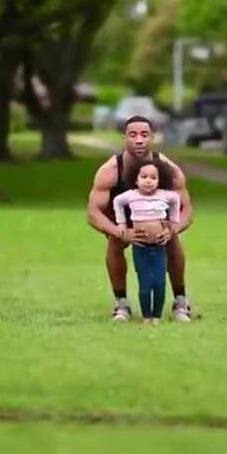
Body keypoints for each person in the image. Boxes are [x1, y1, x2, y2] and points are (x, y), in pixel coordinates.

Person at [87, 115, 192, 322]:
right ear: (124, 137)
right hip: (123, 219)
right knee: (115, 243)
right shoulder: (111, 170)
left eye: (144, 135)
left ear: (152, 137)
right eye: (133, 135)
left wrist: (173, 229)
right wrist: (119, 231)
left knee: (173, 242)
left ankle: (180, 301)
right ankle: (121, 304)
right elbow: (93, 212)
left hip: (157, 219)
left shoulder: (168, 169)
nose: (139, 140)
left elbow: (187, 208)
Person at [113, 159, 180, 325]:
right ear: (136, 180)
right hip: (140, 247)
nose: (148, 181)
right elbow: (117, 202)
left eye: (153, 177)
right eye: (144, 177)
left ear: (159, 180)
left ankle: (156, 316)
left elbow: (176, 199)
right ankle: (146, 316)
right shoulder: (131, 196)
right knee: (145, 283)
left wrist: (173, 222)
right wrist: (121, 223)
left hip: (159, 247)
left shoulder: (165, 196)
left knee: (159, 282)